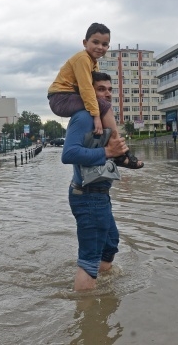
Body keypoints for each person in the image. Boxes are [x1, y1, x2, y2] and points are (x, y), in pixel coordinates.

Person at [61, 73, 129, 291]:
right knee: (89, 260)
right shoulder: (83, 117)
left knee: (110, 246)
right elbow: (69, 153)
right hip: (88, 196)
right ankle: (87, 315)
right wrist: (107, 151)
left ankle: (103, 294)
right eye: (100, 89)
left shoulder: (100, 116)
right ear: (88, 92)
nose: (107, 93)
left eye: (109, 89)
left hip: (100, 195)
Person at [48, 23, 143, 169]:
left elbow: (91, 89)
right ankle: (119, 150)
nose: (100, 47)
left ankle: (118, 149)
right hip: (61, 98)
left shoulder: (94, 63)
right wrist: (96, 116)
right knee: (104, 105)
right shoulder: (83, 59)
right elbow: (87, 89)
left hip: (68, 97)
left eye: (104, 44)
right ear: (85, 43)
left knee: (102, 104)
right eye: (95, 42)